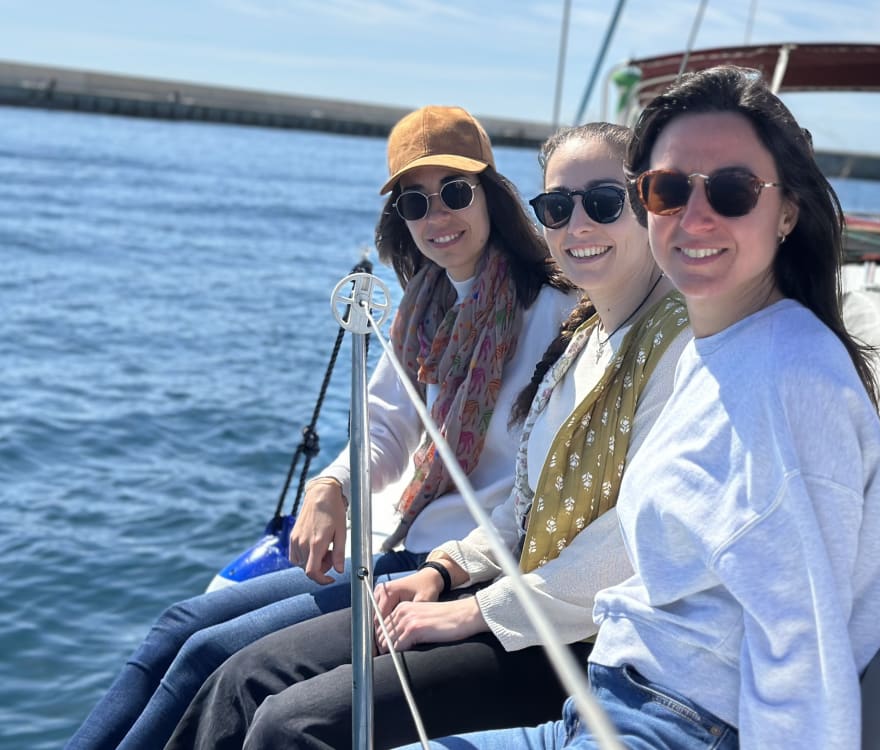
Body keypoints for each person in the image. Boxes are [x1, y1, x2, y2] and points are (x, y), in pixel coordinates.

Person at [406, 65, 880, 750]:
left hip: (675, 724)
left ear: (787, 209)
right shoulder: (724, 345)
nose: (694, 217)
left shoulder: (792, 380)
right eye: (669, 190)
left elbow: (804, 654)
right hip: (613, 696)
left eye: (731, 190)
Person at [161, 122, 692, 750]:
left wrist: (468, 602)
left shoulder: (614, 328)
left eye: (604, 203)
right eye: (557, 206)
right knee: (226, 665)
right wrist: (440, 566)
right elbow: (523, 504)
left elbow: (630, 544)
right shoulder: (556, 333)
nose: (577, 224)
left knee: (284, 717)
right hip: (477, 573)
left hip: (568, 634)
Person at [65, 105, 577, 750]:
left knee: (211, 658)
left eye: (453, 192)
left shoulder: (556, 310)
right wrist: (329, 485)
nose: (437, 217)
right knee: (179, 626)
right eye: (415, 204)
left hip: (458, 564)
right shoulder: (424, 306)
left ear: (491, 196)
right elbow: (388, 431)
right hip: (397, 544)